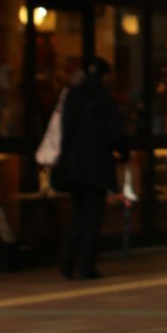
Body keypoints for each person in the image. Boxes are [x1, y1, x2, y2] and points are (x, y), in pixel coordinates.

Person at [53, 58, 130, 280]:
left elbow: (64, 129)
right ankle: (86, 265)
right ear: (104, 76)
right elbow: (116, 133)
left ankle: (68, 259)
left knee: (77, 212)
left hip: (74, 165)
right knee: (92, 216)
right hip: (97, 165)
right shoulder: (104, 99)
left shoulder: (73, 96)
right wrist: (123, 153)